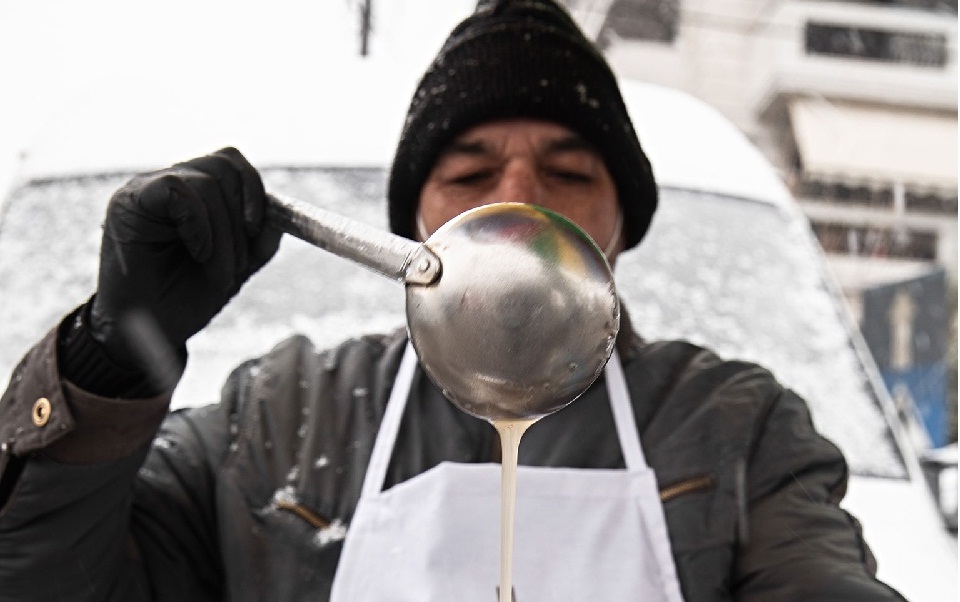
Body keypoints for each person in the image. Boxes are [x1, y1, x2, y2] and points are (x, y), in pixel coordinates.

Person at [0, 1, 907, 601]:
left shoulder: (732, 429)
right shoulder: (276, 419)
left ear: (619, 224)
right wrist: (106, 367)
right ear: (414, 227)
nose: (518, 197)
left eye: (568, 170)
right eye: (471, 170)